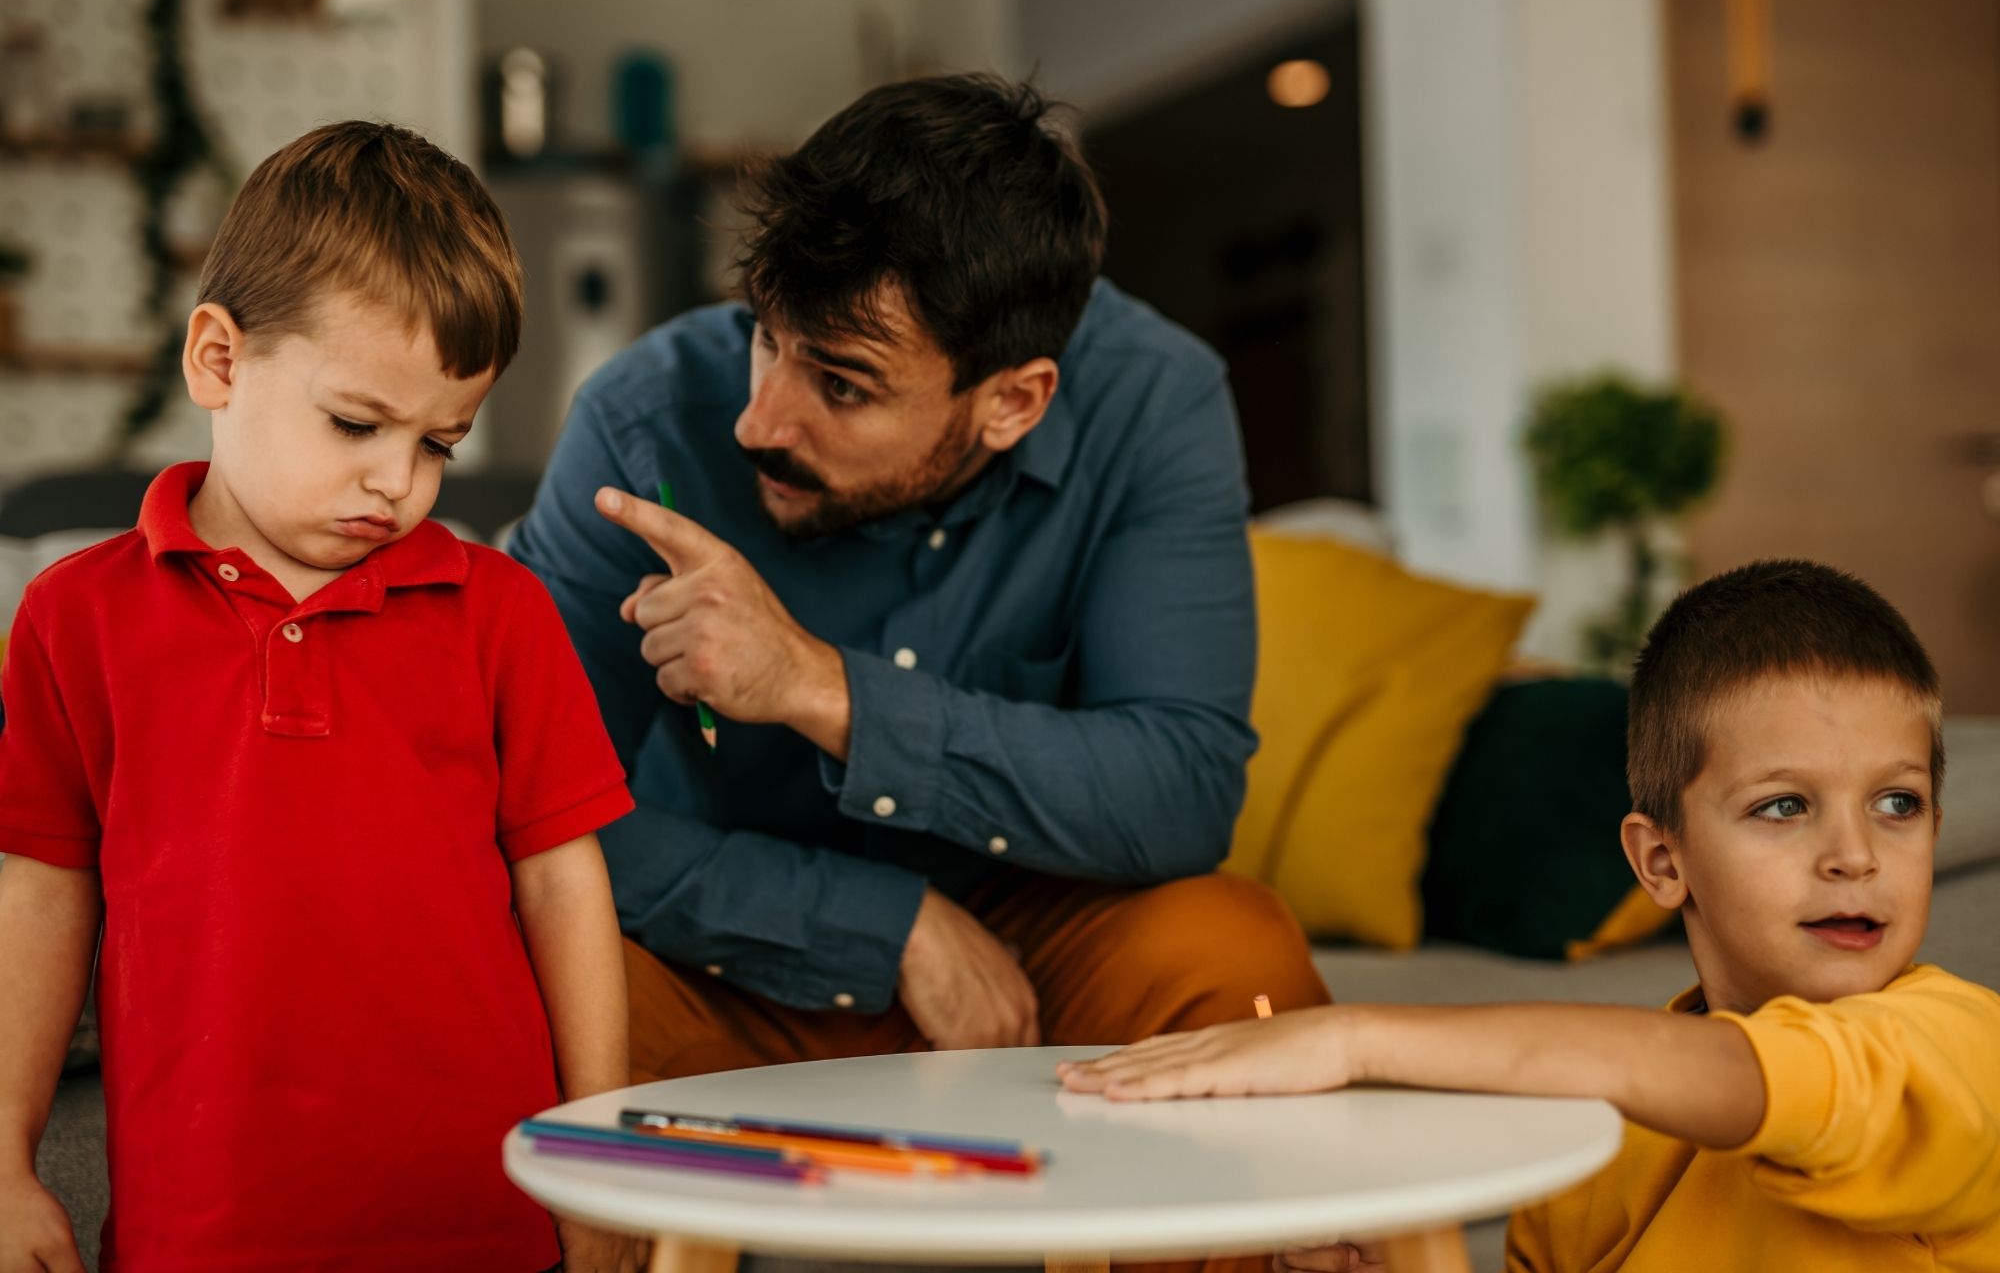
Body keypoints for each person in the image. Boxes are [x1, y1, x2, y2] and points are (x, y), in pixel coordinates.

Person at [509, 73, 1327, 1082]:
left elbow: (1180, 791)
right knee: (502, 998)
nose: (756, 422)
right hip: (722, 948)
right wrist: (876, 926)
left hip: (1034, 959)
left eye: (841, 384)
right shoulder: (641, 420)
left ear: (1013, 403)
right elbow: (531, 804)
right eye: (764, 334)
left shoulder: (1153, 403)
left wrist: (823, 688)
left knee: (1231, 952)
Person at [0, 122, 640, 1273]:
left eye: (439, 441)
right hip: (206, 1234)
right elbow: (44, 898)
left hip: (486, 1220)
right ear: (217, 359)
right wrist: (2, 1161)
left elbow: (562, 886)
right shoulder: (71, 620)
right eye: (356, 423)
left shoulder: (501, 612)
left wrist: (594, 1162)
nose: (398, 481)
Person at [1060, 559, 2000, 1272]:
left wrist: (1354, 1038)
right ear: (1661, 862)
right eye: (1785, 806)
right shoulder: (1590, 1143)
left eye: (1898, 803)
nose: (1856, 854)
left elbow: (1751, 1078)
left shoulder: (1959, 1050)